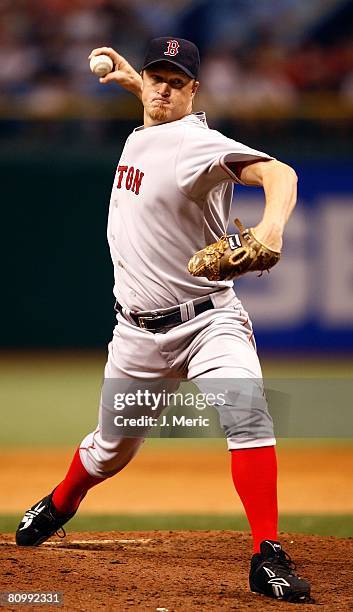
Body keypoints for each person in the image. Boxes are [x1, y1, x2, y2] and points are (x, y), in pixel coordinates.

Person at [16, 37, 311, 604]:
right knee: (109, 449)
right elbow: (157, 118)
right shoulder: (149, 127)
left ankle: (268, 554)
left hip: (209, 323)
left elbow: (282, 174)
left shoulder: (197, 142)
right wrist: (133, 81)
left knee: (247, 413)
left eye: (176, 79)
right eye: (157, 76)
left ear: (194, 90)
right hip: (136, 336)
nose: (163, 86)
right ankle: (60, 501)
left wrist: (270, 230)